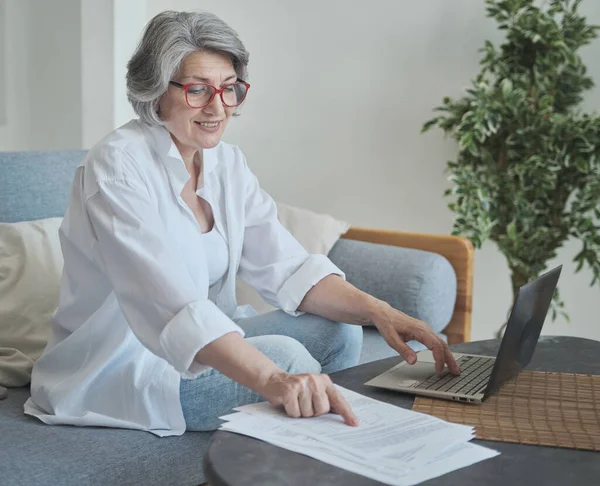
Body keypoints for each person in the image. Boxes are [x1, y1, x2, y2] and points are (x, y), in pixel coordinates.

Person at [25, 11, 459, 437]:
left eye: (229, 89)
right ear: (155, 91)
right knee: (286, 359)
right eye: (198, 89)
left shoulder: (226, 163)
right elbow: (172, 306)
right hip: (123, 368)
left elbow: (288, 268)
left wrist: (379, 311)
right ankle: (335, 444)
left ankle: (333, 439)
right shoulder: (117, 167)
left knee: (341, 331)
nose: (218, 107)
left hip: (204, 345)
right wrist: (273, 379)